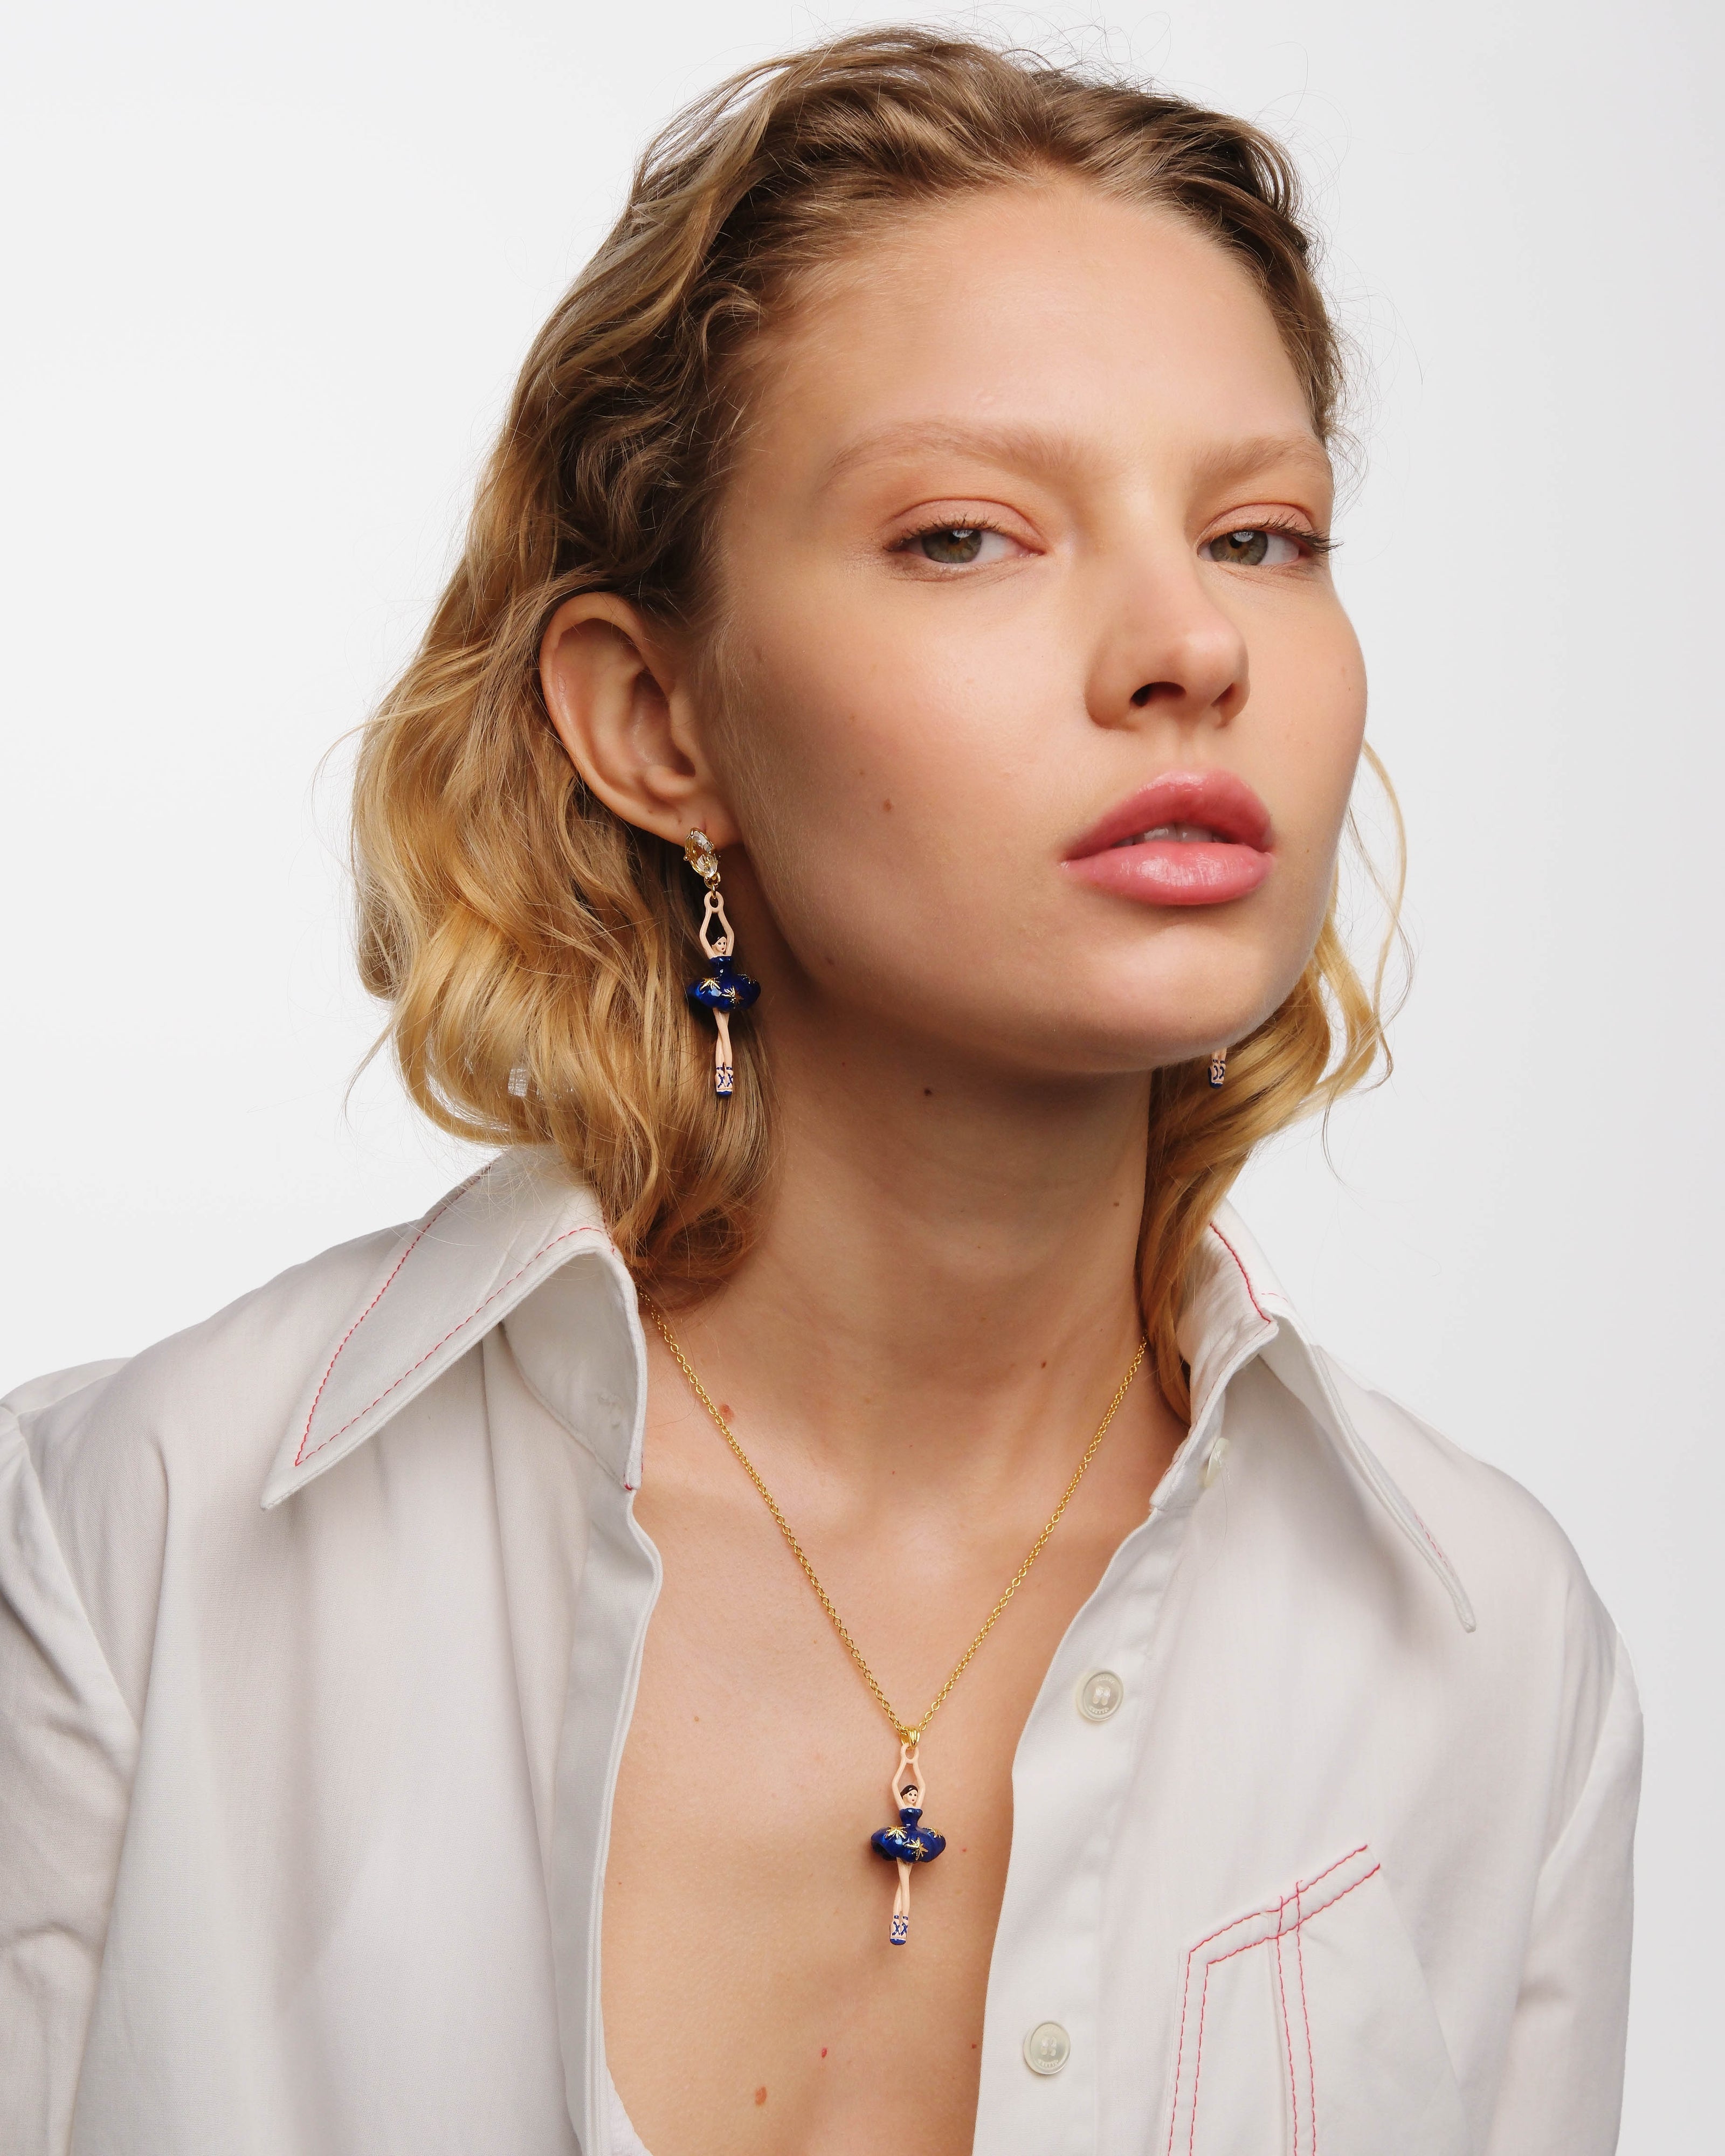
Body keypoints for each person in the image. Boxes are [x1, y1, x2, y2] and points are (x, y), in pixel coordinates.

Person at [0, 28, 1639, 2156]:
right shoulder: (129, 1550)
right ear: (652, 719)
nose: (1192, 648)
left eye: (1260, 535)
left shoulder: (1486, 1654)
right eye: (965, 536)